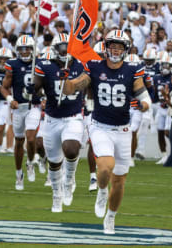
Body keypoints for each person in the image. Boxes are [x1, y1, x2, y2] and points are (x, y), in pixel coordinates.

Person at [62, 30, 151, 234]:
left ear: (126, 49)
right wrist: (65, 79)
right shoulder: (94, 67)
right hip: (100, 126)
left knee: (119, 182)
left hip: (123, 130)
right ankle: (102, 191)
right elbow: (72, 88)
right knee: (104, 167)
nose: (115, 49)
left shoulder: (132, 69)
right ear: (106, 46)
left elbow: (144, 97)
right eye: (113, 45)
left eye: (120, 46)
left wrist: (143, 105)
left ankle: (110, 217)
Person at [33, 33, 85, 212]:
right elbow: (36, 87)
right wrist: (32, 90)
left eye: (67, 46)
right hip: (52, 118)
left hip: (73, 116)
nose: (64, 50)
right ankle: (57, 194)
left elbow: (90, 85)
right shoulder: (46, 66)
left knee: (71, 149)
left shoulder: (82, 65)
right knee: (54, 162)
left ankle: (69, 180)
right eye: (60, 47)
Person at [1, 34, 41, 190]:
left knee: (30, 139)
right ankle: (19, 173)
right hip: (19, 108)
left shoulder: (39, 64)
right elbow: (3, 87)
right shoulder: (13, 65)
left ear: (32, 49)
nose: (24, 52)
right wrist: (10, 99)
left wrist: (43, 96)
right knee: (18, 142)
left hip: (34, 106)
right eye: (21, 49)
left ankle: (30, 162)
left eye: (27, 49)